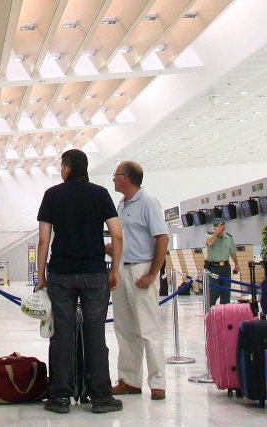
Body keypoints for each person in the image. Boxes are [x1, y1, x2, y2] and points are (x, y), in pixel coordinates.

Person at [35, 149, 124, 415]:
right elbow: (117, 235)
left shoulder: (52, 195)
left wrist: (41, 276)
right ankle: (100, 397)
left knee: (61, 334)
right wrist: (114, 270)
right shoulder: (100, 194)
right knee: (95, 333)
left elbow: (43, 240)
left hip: (61, 273)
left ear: (67, 168)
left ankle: (60, 396)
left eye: (62, 165)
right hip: (94, 273)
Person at [108, 161, 169, 401]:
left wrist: (152, 274)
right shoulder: (121, 205)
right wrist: (112, 252)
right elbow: (127, 239)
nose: (113, 178)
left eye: (116, 175)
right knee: (124, 328)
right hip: (122, 269)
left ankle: (158, 382)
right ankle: (129, 380)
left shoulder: (148, 202)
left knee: (148, 329)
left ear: (127, 178)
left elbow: (162, 239)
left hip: (142, 269)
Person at [205, 220, 240, 307]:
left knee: (226, 291)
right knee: (214, 290)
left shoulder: (228, 238)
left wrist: (236, 265)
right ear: (214, 228)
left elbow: (232, 253)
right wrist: (216, 233)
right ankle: (210, 311)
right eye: (220, 227)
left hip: (225, 267)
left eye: (223, 227)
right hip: (213, 267)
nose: (222, 229)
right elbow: (209, 243)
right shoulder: (209, 236)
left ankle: (225, 312)